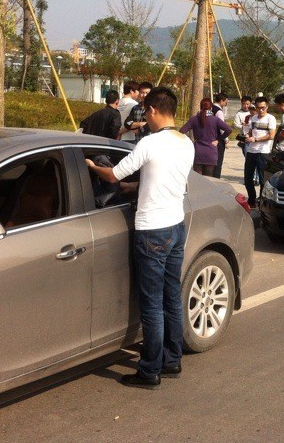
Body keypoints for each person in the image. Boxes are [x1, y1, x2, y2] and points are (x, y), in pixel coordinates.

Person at [85, 87, 194, 390]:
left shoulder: (149, 143)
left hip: (152, 230)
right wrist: (135, 188)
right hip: (176, 226)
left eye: (146, 111)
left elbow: (112, 175)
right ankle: (172, 360)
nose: (145, 117)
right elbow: (167, 180)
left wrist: (92, 166)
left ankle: (149, 371)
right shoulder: (186, 142)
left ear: (154, 110)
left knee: (152, 303)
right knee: (171, 297)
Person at [180, 97, 233, 176]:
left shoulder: (194, 119)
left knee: (198, 180)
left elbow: (181, 131)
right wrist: (218, 139)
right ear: (211, 108)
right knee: (208, 179)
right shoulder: (215, 119)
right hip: (211, 151)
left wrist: (189, 142)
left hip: (198, 151)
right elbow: (229, 130)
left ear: (200, 107)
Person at [243, 96, 276, 208]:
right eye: (258, 108)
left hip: (263, 152)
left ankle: (262, 200)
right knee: (248, 178)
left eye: (263, 107)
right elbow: (250, 132)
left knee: (263, 179)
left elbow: (271, 135)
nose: (261, 110)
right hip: (251, 151)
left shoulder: (270, 118)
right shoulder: (253, 118)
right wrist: (246, 136)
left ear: (267, 106)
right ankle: (251, 199)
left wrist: (256, 139)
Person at [212, 92, 230, 179]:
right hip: (218, 139)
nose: (226, 104)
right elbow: (222, 128)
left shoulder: (209, 109)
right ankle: (216, 179)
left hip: (209, 138)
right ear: (222, 101)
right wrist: (226, 140)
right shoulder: (218, 111)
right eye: (226, 102)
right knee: (218, 162)